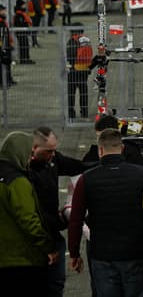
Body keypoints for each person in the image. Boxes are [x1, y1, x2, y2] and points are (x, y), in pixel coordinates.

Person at [68, 129, 143, 297]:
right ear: (122, 148)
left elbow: (76, 219)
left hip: (102, 255)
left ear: (100, 150)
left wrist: (74, 253)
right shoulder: (142, 175)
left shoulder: (86, 179)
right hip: (135, 252)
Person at [29, 127, 86, 297]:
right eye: (49, 151)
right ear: (34, 148)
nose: (53, 154)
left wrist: (103, 162)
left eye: (54, 150)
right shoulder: (26, 173)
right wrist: (61, 221)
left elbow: (77, 166)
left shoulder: (52, 160)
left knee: (57, 283)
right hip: (37, 237)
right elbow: (30, 214)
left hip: (52, 233)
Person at [0, 131, 56, 292]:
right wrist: (47, 247)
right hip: (21, 260)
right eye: (29, 153)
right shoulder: (17, 182)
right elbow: (29, 220)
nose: (30, 158)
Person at [66, 28, 94, 119]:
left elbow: (69, 55)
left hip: (74, 70)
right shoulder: (87, 40)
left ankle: (71, 113)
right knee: (83, 92)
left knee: (71, 93)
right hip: (84, 70)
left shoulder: (72, 41)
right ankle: (84, 112)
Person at [13, 0, 34, 65]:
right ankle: (23, 59)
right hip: (21, 33)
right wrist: (25, 24)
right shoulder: (19, 15)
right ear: (20, 6)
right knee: (23, 46)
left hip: (24, 33)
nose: (24, 6)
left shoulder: (21, 13)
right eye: (23, 5)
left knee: (26, 46)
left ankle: (26, 58)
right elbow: (20, 24)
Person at [0, 4, 14, 86]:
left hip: (6, 45)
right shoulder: (1, 23)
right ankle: (3, 82)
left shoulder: (3, 21)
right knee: (3, 64)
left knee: (8, 63)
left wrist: (10, 43)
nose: (5, 12)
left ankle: (8, 79)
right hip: (3, 46)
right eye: (3, 10)